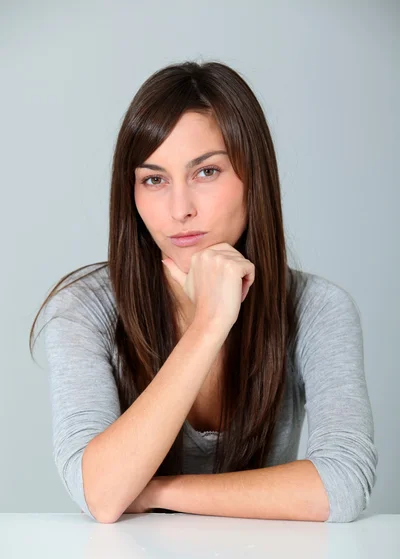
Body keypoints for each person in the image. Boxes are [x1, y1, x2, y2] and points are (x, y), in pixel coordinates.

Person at [29, 59, 378, 524]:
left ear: (254, 177)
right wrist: (209, 327)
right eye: (154, 179)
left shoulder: (317, 308)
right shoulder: (83, 308)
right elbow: (102, 493)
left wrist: (154, 490)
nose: (180, 210)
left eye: (206, 172)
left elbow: (344, 485)